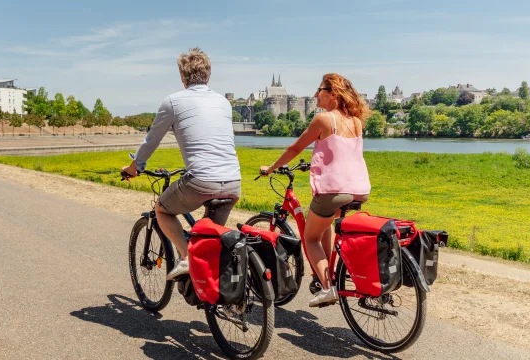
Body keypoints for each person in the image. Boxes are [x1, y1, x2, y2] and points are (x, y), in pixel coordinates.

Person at [122, 48, 241, 280]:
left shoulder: (173, 102)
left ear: (182, 76)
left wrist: (134, 167)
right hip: (233, 182)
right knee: (210, 243)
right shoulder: (223, 103)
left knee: (162, 210)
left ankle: (186, 258)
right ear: (208, 75)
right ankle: (215, 297)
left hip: (201, 181)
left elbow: (151, 140)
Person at [259, 73, 371, 307]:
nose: (315, 94)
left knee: (310, 238)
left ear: (332, 94)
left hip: (333, 191)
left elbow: (294, 148)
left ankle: (328, 287)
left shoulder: (324, 119)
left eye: (319, 90)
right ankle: (330, 274)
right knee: (326, 225)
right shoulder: (356, 121)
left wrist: (271, 168)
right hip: (358, 190)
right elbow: (342, 154)